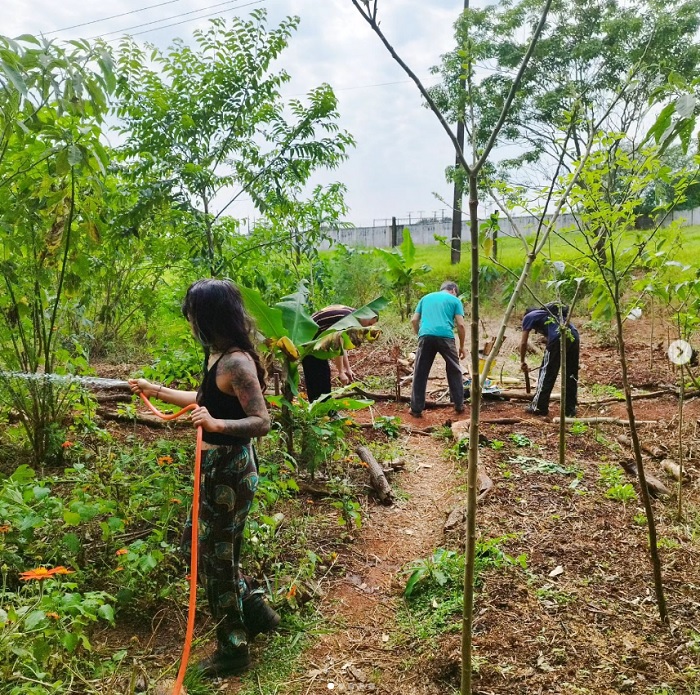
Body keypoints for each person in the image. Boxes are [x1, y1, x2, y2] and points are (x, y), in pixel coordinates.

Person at [129, 279, 278, 679]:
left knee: (216, 561)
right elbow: (205, 399)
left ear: (209, 316)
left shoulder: (236, 362)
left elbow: (262, 421)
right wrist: (155, 390)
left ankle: (234, 647)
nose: (190, 320)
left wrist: (215, 423)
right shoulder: (217, 357)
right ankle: (257, 610)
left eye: (194, 313)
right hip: (215, 470)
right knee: (199, 549)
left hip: (230, 471)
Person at [410, 281, 466, 418]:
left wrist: (421, 335)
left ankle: (416, 409)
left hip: (426, 336)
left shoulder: (425, 298)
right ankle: (459, 404)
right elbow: (461, 325)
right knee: (454, 370)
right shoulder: (455, 300)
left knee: (420, 372)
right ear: (453, 290)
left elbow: (414, 320)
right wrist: (462, 346)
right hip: (446, 337)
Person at [301, 304, 378, 402]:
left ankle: (325, 410)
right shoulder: (348, 318)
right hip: (309, 342)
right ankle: (319, 410)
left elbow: (341, 345)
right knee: (316, 378)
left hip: (317, 343)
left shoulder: (351, 315)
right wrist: (341, 372)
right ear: (366, 316)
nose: (368, 327)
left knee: (323, 376)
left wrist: (348, 369)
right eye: (370, 324)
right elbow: (337, 345)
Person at [520, 303, 579, 418]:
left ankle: (539, 407)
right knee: (571, 373)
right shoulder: (551, 315)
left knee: (547, 372)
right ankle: (570, 410)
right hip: (574, 335)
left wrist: (522, 361)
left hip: (558, 337)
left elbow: (523, 342)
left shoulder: (528, 317)